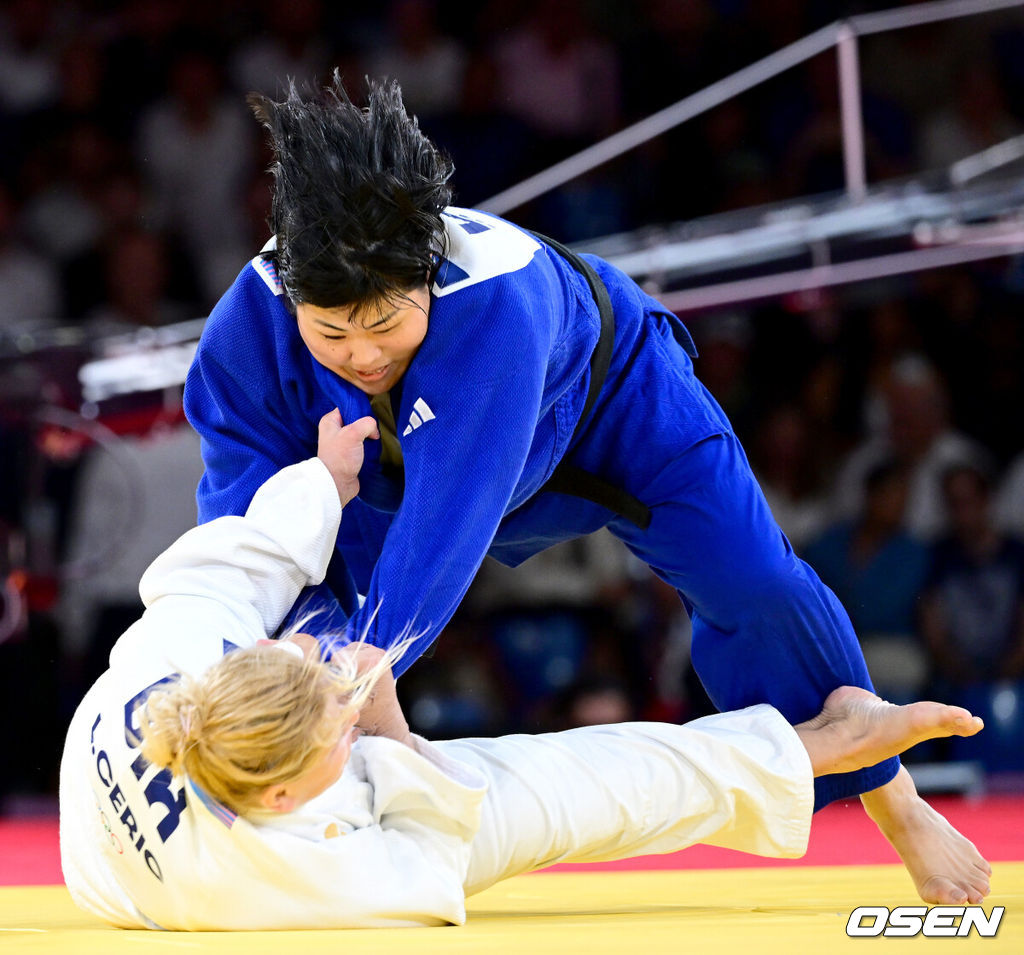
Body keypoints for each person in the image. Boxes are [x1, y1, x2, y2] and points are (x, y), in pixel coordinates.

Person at [182, 77, 989, 904]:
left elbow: (444, 528)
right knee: (293, 609)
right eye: (331, 333)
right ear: (290, 296)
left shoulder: (496, 302)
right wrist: (265, 676)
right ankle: (311, 802)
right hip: (384, 473)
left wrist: (352, 677)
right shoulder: (244, 334)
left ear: (426, 270)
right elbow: (244, 530)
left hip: (614, 412)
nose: (361, 354)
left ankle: (896, 799)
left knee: (760, 585)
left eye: (385, 324)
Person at [59, 410, 989, 931]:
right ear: (285, 801)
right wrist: (390, 732)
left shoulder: (175, 662)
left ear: (243, 663)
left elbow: (235, 560)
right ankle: (822, 745)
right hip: (165, 868)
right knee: (557, 793)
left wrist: (325, 479)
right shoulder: (280, 876)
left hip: (151, 783)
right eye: (334, 736)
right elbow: (433, 853)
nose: (346, 709)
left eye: (315, 682)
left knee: (296, 615)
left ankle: (826, 744)